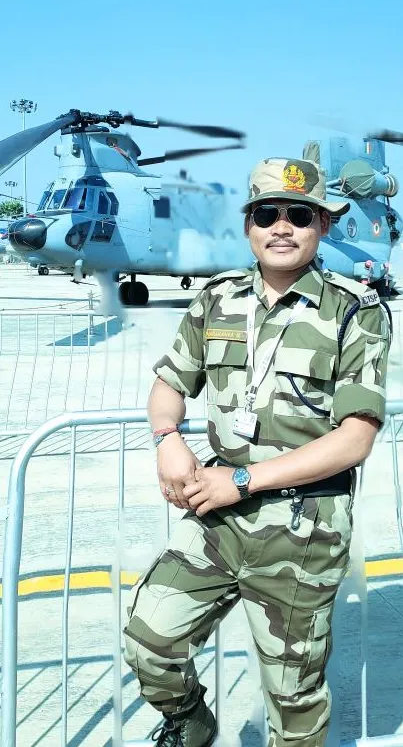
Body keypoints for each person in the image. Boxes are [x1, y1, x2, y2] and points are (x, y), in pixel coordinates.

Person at [124, 157, 390, 747]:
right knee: (149, 640)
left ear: (322, 225)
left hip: (303, 528)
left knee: (293, 699)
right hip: (217, 518)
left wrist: (242, 480)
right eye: (267, 213)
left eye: (300, 214)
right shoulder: (216, 300)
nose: (282, 226)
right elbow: (169, 385)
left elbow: (356, 436)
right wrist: (168, 441)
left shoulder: (356, 311)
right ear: (249, 225)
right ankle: (190, 723)